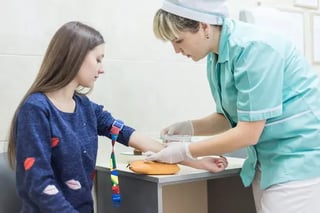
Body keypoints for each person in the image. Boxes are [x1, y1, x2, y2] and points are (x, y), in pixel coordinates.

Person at [6, 21, 227, 213]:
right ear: (74, 57)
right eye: (98, 59)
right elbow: (38, 184)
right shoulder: (36, 109)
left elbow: (133, 137)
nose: (101, 69)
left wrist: (195, 162)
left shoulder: (86, 108)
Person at [146, 0, 320, 212]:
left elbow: (248, 133)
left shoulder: (254, 49)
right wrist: (191, 127)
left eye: (179, 40)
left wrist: (185, 151)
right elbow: (233, 117)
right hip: (269, 160)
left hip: (300, 157)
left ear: (203, 26)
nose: (176, 50)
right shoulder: (217, 56)